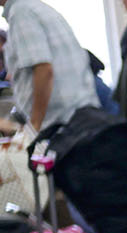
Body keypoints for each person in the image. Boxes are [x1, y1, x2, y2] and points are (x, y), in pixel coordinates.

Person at [3, 0, 97, 140]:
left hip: (62, 127)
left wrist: (34, 127)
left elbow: (44, 69)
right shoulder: (37, 8)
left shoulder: (21, 12)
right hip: (81, 119)